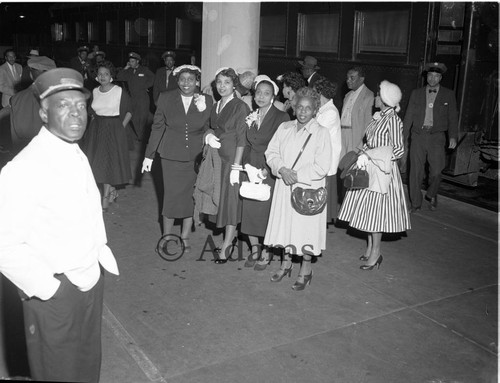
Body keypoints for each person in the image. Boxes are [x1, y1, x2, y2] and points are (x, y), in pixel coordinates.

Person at [0, 67, 119, 382]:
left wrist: (97, 261)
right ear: (43, 112)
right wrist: (49, 289)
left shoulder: (73, 151)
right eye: (64, 106)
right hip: (54, 293)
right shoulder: (24, 168)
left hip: (90, 281)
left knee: (86, 367)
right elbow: (5, 246)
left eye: (80, 105)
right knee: (58, 373)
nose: (76, 114)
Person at [338, 80, 411, 270]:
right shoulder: (378, 116)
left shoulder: (393, 120)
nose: (375, 97)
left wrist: (371, 155)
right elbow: (369, 142)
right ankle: (370, 248)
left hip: (382, 172)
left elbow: (398, 150)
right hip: (369, 167)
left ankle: (376, 253)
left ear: (385, 98)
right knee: (368, 212)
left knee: (376, 214)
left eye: (378, 94)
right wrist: (361, 154)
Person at [264, 87, 332, 290]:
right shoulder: (284, 127)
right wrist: (281, 169)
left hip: (307, 190)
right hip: (284, 186)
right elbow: (271, 152)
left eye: (308, 108)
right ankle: (285, 264)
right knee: (285, 226)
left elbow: (322, 166)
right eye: (299, 107)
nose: (303, 112)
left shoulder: (321, 133)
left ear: (315, 110)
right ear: (294, 107)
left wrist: (295, 175)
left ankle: (306, 269)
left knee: (305, 231)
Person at [142, 65, 213, 250]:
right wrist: (149, 156)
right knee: (171, 196)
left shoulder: (207, 99)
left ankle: (185, 236)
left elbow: (210, 126)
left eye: (191, 79)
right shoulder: (165, 98)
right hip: (171, 156)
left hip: (196, 157)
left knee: (191, 196)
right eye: (182, 79)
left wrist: (205, 113)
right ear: (177, 80)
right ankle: (166, 236)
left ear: (197, 81)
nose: (186, 83)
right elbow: (157, 127)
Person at [239, 75, 290, 270]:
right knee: (249, 211)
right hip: (251, 168)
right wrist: (246, 166)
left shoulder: (281, 117)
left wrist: (267, 170)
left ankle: (267, 253)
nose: (261, 96)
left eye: (266, 93)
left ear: (273, 96)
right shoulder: (252, 115)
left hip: (269, 171)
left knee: (266, 215)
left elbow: (282, 150)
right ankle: (254, 250)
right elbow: (246, 144)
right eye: (258, 92)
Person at [203, 67, 250, 263]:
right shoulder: (216, 106)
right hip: (218, 159)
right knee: (221, 199)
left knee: (231, 202)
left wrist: (236, 167)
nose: (222, 86)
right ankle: (229, 237)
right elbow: (211, 126)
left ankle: (228, 244)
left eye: (227, 83)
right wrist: (208, 134)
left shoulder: (240, 106)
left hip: (233, 159)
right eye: (219, 83)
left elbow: (242, 138)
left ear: (234, 85)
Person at [403, 62, 458, 212]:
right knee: (415, 171)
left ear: (440, 78)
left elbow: (453, 118)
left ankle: (432, 193)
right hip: (418, 136)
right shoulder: (417, 93)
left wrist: (453, 136)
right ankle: (415, 203)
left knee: (436, 171)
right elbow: (408, 116)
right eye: (430, 75)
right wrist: (403, 136)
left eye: (436, 76)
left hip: (437, 137)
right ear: (426, 76)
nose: (432, 79)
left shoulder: (448, 94)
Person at [81, 61, 133, 211]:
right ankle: (111, 191)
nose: (103, 76)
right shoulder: (95, 91)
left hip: (113, 128)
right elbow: (91, 112)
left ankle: (105, 197)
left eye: (106, 74)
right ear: (96, 77)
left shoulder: (118, 91)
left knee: (109, 163)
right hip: (97, 129)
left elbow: (129, 111)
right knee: (98, 163)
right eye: (100, 74)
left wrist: (120, 127)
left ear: (111, 76)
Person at [10, 56, 56, 152]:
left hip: (24, 153)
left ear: (31, 75)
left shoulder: (16, 98)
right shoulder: (60, 98)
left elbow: (14, 135)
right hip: (50, 153)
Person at [313, 76, 342, 224]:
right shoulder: (323, 110)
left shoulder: (330, 112)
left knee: (321, 199)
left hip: (326, 161)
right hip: (320, 158)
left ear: (319, 93)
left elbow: (314, 131)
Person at [116, 52, 155, 142]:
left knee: (142, 116)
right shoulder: (128, 71)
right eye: (130, 61)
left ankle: (141, 137)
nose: (131, 63)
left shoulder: (144, 70)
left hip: (142, 97)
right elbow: (119, 77)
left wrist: (146, 86)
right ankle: (138, 135)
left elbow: (153, 78)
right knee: (133, 116)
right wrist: (126, 67)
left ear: (137, 61)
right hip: (132, 97)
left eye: (133, 61)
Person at [340, 66, 374, 159]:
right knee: (341, 165)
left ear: (361, 79)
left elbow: (368, 124)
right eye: (347, 78)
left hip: (355, 137)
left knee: (351, 166)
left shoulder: (369, 96)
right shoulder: (347, 95)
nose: (348, 80)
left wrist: (362, 144)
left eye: (352, 78)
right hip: (342, 134)